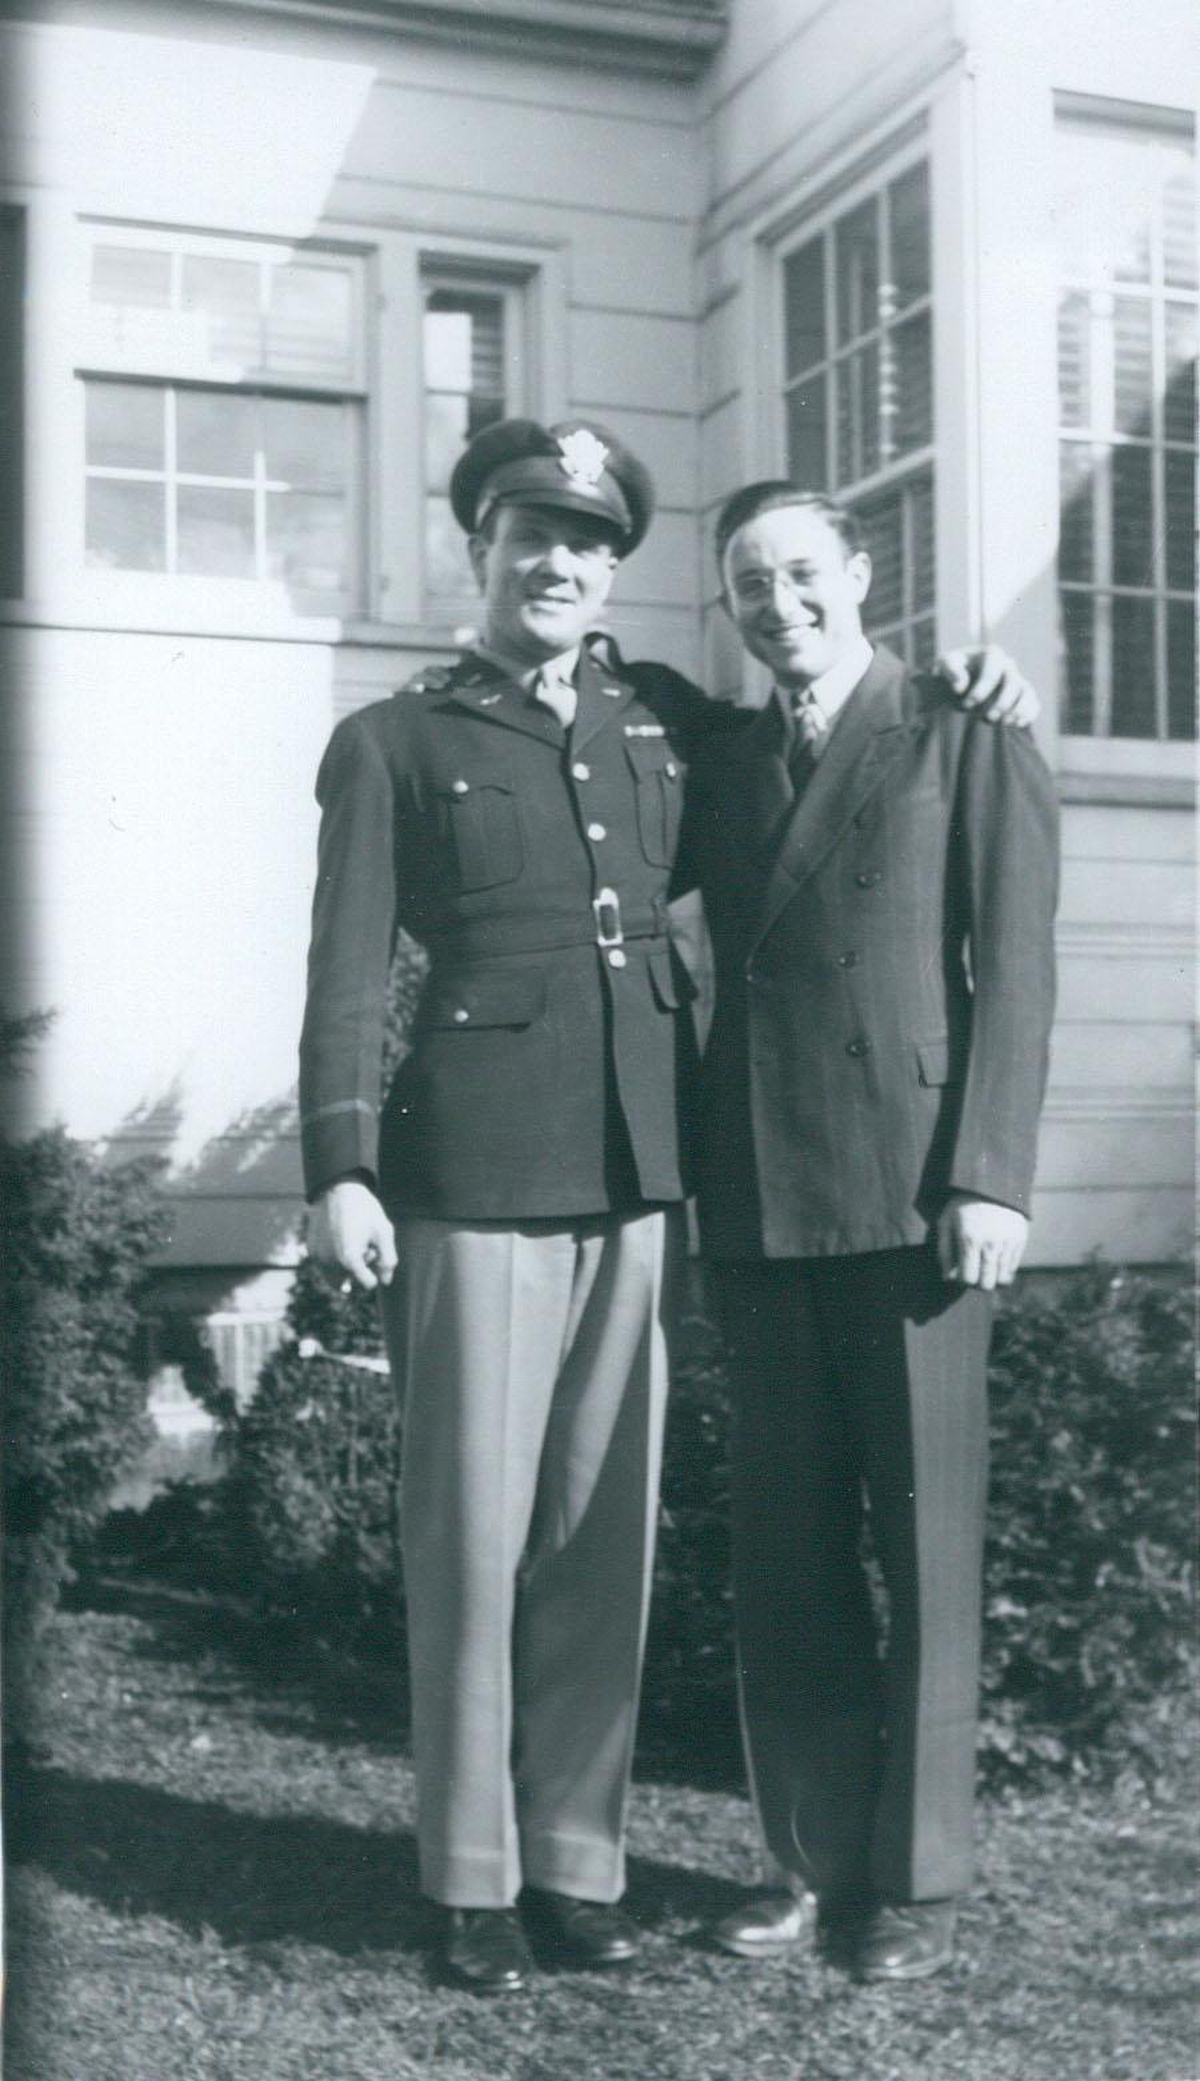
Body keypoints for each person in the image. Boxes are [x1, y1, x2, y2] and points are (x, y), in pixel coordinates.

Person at [298, 419, 1036, 1995]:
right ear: (481, 553)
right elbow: (350, 967)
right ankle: (480, 1880)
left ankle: (600, 1862)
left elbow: (939, 894)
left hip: (679, 1182)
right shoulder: (421, 739)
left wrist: (984, 680)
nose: (558, 563)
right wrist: (341, 1162)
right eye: (527, 538)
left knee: (600, 1549)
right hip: (520, 1177)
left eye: (588, 543)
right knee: (497, 1541)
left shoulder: (719, 727)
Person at [676, 483, 1059, 1982]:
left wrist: (995, 1177)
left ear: (860, 573)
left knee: (923, 1542)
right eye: (747, 586)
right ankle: (805, 1860)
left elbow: (1012, 970)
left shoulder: (966, 724)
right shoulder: (718, 757)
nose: (777, 604)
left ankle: (909, 1878)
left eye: (799, 573)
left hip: (917, 1201)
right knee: (786, 1556)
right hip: (761, 1198)